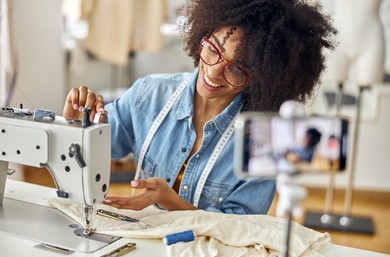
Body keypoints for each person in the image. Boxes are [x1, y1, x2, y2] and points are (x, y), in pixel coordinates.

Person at [62, 0, 336, 215]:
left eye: (237, 70)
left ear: (264, 77)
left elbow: (241, 228)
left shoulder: (261, 140)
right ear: (202, 36)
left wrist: (172, 202)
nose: (214, 73)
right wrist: (76, 128)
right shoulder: (149, 94)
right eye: (213, 50)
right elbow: (99, 148)